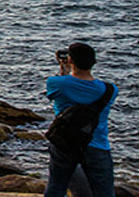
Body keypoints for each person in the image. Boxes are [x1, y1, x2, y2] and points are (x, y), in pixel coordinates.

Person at [44, 42, 118, 197]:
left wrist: (63, 70)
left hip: (64, 142)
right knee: (105, 193)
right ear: (94, 63)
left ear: (70, 61)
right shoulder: (110, 90)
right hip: (97, 144)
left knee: (56, 187)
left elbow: (58, 92)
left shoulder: (56, 83)